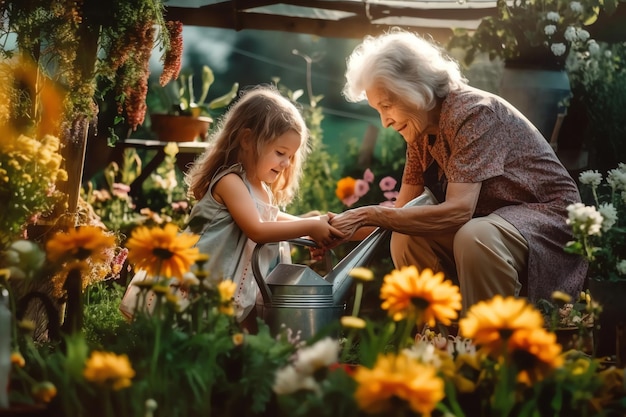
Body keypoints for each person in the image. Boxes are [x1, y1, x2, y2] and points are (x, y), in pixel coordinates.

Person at [329, 29, 587, 313]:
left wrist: (367, 213)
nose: (385, 122)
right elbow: (401, 212)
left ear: (413, 87)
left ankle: (485, 346)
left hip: (547, 218)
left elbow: (458, 211)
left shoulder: (473, 112)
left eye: (387, 106)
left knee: (476, 236)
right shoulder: (421, 129)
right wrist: (341, 228)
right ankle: (437, 341)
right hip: (493, 222)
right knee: (405, 236)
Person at [184, 85, 345, 325]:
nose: (286, 163)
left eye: (290, 156)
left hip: (230, 290)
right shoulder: (230, 181)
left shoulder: (261, 189)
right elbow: (258, 229)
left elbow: (274, 218)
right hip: (200, 286)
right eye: (281, 152)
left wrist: (315, 224)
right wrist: (309, 226)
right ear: (247, 139)